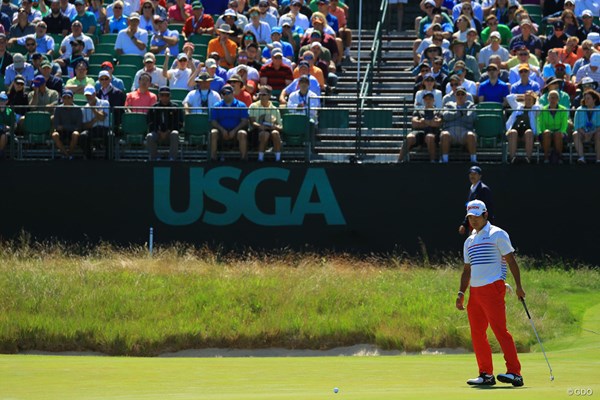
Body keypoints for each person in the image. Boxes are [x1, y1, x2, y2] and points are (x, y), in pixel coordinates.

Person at [457, 199, 525, 388]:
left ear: (485, 215)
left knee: (500, 331)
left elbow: (511, 261)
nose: (474, 220)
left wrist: (519, 286)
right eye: (470, 217)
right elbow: (467, 270)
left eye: (477, 216)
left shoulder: (498, 234)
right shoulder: (469, 240)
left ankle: (515, 373)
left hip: (493, 288)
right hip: (475, 292)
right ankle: (486, 374)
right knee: (477, 333)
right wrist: (461, 292)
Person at [398, 91, 441, 163]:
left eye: (430, 99)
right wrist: (430, 122)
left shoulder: (438, 111)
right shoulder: (418, 111)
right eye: (426, 99)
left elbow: (437, 123)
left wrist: (423, 121)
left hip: (433, 132)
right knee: (409, 137)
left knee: (429, 137)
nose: (428, 101)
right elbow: (414, 123)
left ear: (434, 100)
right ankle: (399, 161)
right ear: (423, 100)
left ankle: (433, 161)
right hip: (419, 132)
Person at [209, 83, 249, 161]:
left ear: (232, 93)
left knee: (242, 133)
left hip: (236, 131)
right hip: (221, 132)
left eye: (228, 93)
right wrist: (222, 130)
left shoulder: (241, 105)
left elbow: (244, 121)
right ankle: (213, 158)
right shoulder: (216, 105)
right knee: (213, 132)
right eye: (224, 93)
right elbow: (213, 121)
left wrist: (234, 131)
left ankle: (243, 159)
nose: (226, 95)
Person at [440, 86, 477, 163]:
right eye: (458, 94)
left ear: (466, 95)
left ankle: (473, 160)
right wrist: (460, 112)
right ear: (455, 95)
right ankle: (445, 160)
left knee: (471, 135)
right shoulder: (449, 104)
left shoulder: (471, 105)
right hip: (450, 131)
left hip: (465, 131)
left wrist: (454, 114)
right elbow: (446, 116)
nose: (460, 96)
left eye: (462, 94)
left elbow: (471, 118)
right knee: (444, 135)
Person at [146, 86, 181, 161]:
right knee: (149, 136)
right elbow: (150, 122)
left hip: (170, 134)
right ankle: (154, 158)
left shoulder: (175, 107)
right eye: (162, 95)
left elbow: (179, 123)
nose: (164, 97)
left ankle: (172, 158)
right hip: (157, 134)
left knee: (175, 134)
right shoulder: (154, 108)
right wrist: (158, 131)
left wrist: (168, 131)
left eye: (167, 95)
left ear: (170, 96)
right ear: (159, 96)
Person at [249, 84, 282, 162]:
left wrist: (274, 127)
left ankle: (278, 159)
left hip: (270, 130)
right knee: (265, 134)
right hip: (256, 132)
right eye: (260, 94)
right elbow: (252, 122)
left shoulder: (275, 109)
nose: (261, 96)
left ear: (269, 95)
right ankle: (260, 158)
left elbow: (280, 126)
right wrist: (261, 126)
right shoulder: (253, 106)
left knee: (276, 133)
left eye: (263, 94)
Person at [505, 91, 539, 164]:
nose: (527, 101)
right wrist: (522, 95)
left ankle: (528, 158)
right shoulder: (518, 106)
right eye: (526, 99)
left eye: (530, 99)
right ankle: (512, 158)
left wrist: (536, 97)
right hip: (515, 132)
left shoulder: (535, 109)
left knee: (529, 132)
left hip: (526, 134)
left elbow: (538, 107)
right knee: (513, 132)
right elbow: (509, 98)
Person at [538, 89, 569, 164]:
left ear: (558, 99)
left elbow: (564, 124)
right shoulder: (542, 110)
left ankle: (559, 157)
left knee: (558, 134)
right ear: (548, 99)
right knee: (547, 133)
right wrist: (545, 131)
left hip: (559, 132)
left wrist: (561, 132)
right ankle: (546, 157)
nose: (553, 99)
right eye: (551, 97)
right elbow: (541, 124)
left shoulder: (563, 109)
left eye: (555, 98)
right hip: (546, 132)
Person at [80, 85, 109, 159]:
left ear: (95, 94)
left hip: (105, 129)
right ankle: (89, 157)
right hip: (92, 130)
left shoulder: (105, 103)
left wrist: (93, 109)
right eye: (87, 95)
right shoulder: (84, 108)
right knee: (83, 135)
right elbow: (85, 126)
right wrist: (96, 119)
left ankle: (109, 159)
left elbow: (102, 118)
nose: (88, 97)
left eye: (90, 95)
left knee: (110, 135)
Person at [51, 89, 82, 159]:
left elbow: (78, 126)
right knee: (54, 135)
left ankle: (69, 153)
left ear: (72, 98)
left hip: (72, 132)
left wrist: (63, 127)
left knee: (76, 134)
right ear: (62, 99)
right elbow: (56, 125)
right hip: (62, 132)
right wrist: (69, 127)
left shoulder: (78, 109)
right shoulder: (58, 109)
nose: (67, 99)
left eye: (69, 97)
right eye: (64, 98)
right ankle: (66, 154)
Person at [572, 89, 600, 164]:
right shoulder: (579, 110)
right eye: (585, 98)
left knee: (599, 134)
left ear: (594, 99)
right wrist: (584, 133)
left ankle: (598, 159)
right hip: (583, 132)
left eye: (588, 98)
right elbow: (577, 125)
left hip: (595, 132)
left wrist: (591, 133)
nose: (586, 100)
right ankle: (581, 158)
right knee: (575, 134)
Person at [0, 91, 15, 159]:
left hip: (6, 132)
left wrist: (9, 127)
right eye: (0, 100)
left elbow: (14, 125)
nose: (1, 102)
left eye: (3, 100)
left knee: (4, 135)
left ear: (7, 101)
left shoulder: (10, 111)